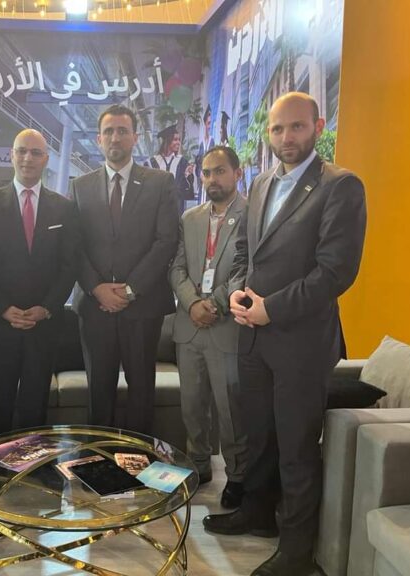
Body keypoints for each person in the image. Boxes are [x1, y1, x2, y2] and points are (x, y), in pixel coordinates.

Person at [202, 92, 367, 576]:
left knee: (296, 449)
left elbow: (335, 271)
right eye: (277, 129)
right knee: (259, 437)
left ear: (318, 126)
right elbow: (244, 253)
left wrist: (271, 309)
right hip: (253, 337)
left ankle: (296, 552)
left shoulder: (340, 186)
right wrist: (238, 291)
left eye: (296, 127)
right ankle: (257, 513)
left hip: (301, 342)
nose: (285, 137)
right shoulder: (261, 182)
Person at [69, 104, 178, 435]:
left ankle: (138, 459)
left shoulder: (160, 182)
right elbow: (73, 246)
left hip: (143, 306)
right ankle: (100, 459)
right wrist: (96, 288)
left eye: (122, 131)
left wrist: (130, 290)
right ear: (99, 139)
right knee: (98, 390)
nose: (115, 137)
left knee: (141, 390)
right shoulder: (80, 186)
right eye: (108, 132)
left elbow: (166, 241)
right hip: (95, 307)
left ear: (135, 137)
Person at [0, 129, 79, 435]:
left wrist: (47, 308)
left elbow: (69, 265)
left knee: (35, 404)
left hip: (43, 325)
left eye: (35, 152)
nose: (27, 158)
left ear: (46, 159)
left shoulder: (64, 207)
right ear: (11, 155)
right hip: (1, 324)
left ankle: (34, 462)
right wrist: (3, 308)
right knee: (0, 403)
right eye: (21, 151)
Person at [168, 146, 247, 507]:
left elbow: (247, 269)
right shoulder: (190, 218)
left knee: (230, 410)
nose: (212, 179)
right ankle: (198, 466)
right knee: (192, 406)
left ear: (237, 173)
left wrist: (213, 304)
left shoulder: (252, 215)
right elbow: (176, 267)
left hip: (226, 326)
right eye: (206, 172)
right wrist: (192, 303)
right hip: (189, 327)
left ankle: (238, 476)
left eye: (220, 171)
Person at [148, 124, 194, 214]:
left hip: (175, 211)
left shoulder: (182, 162)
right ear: (167, 141)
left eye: (179, 140)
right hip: (156, 210)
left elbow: (188, 194)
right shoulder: (152, 162)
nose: (178, 143)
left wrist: (188, 176)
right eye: (175, 139)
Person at [193, 104, 215, 204]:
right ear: (205, 123)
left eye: (211, 123)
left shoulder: (213, 142)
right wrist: (200, 174)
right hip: (202, 181)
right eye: (208, 123)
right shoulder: (201, 143)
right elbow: (198, 164)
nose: (209, 126)